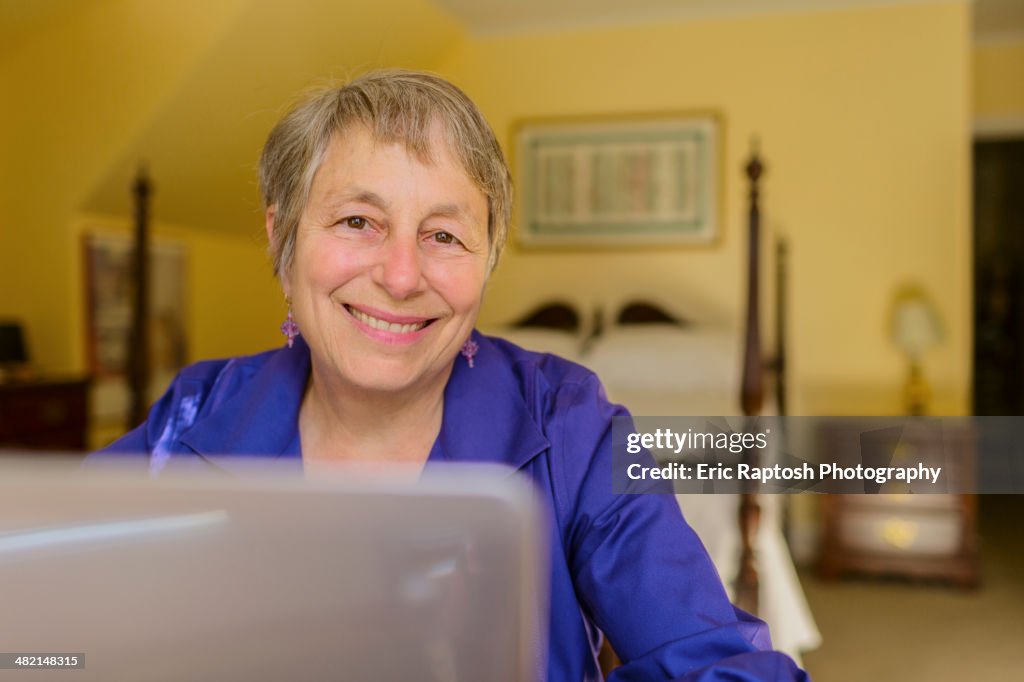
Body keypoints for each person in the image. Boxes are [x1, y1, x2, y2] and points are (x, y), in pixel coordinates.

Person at [99, 69, 808, 681]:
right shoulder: (195, 415)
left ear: (487, 263)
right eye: (357, 222)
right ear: (280, 237)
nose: (402, 277)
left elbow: (713, 660)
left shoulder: (572, 425)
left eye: (443, 236)